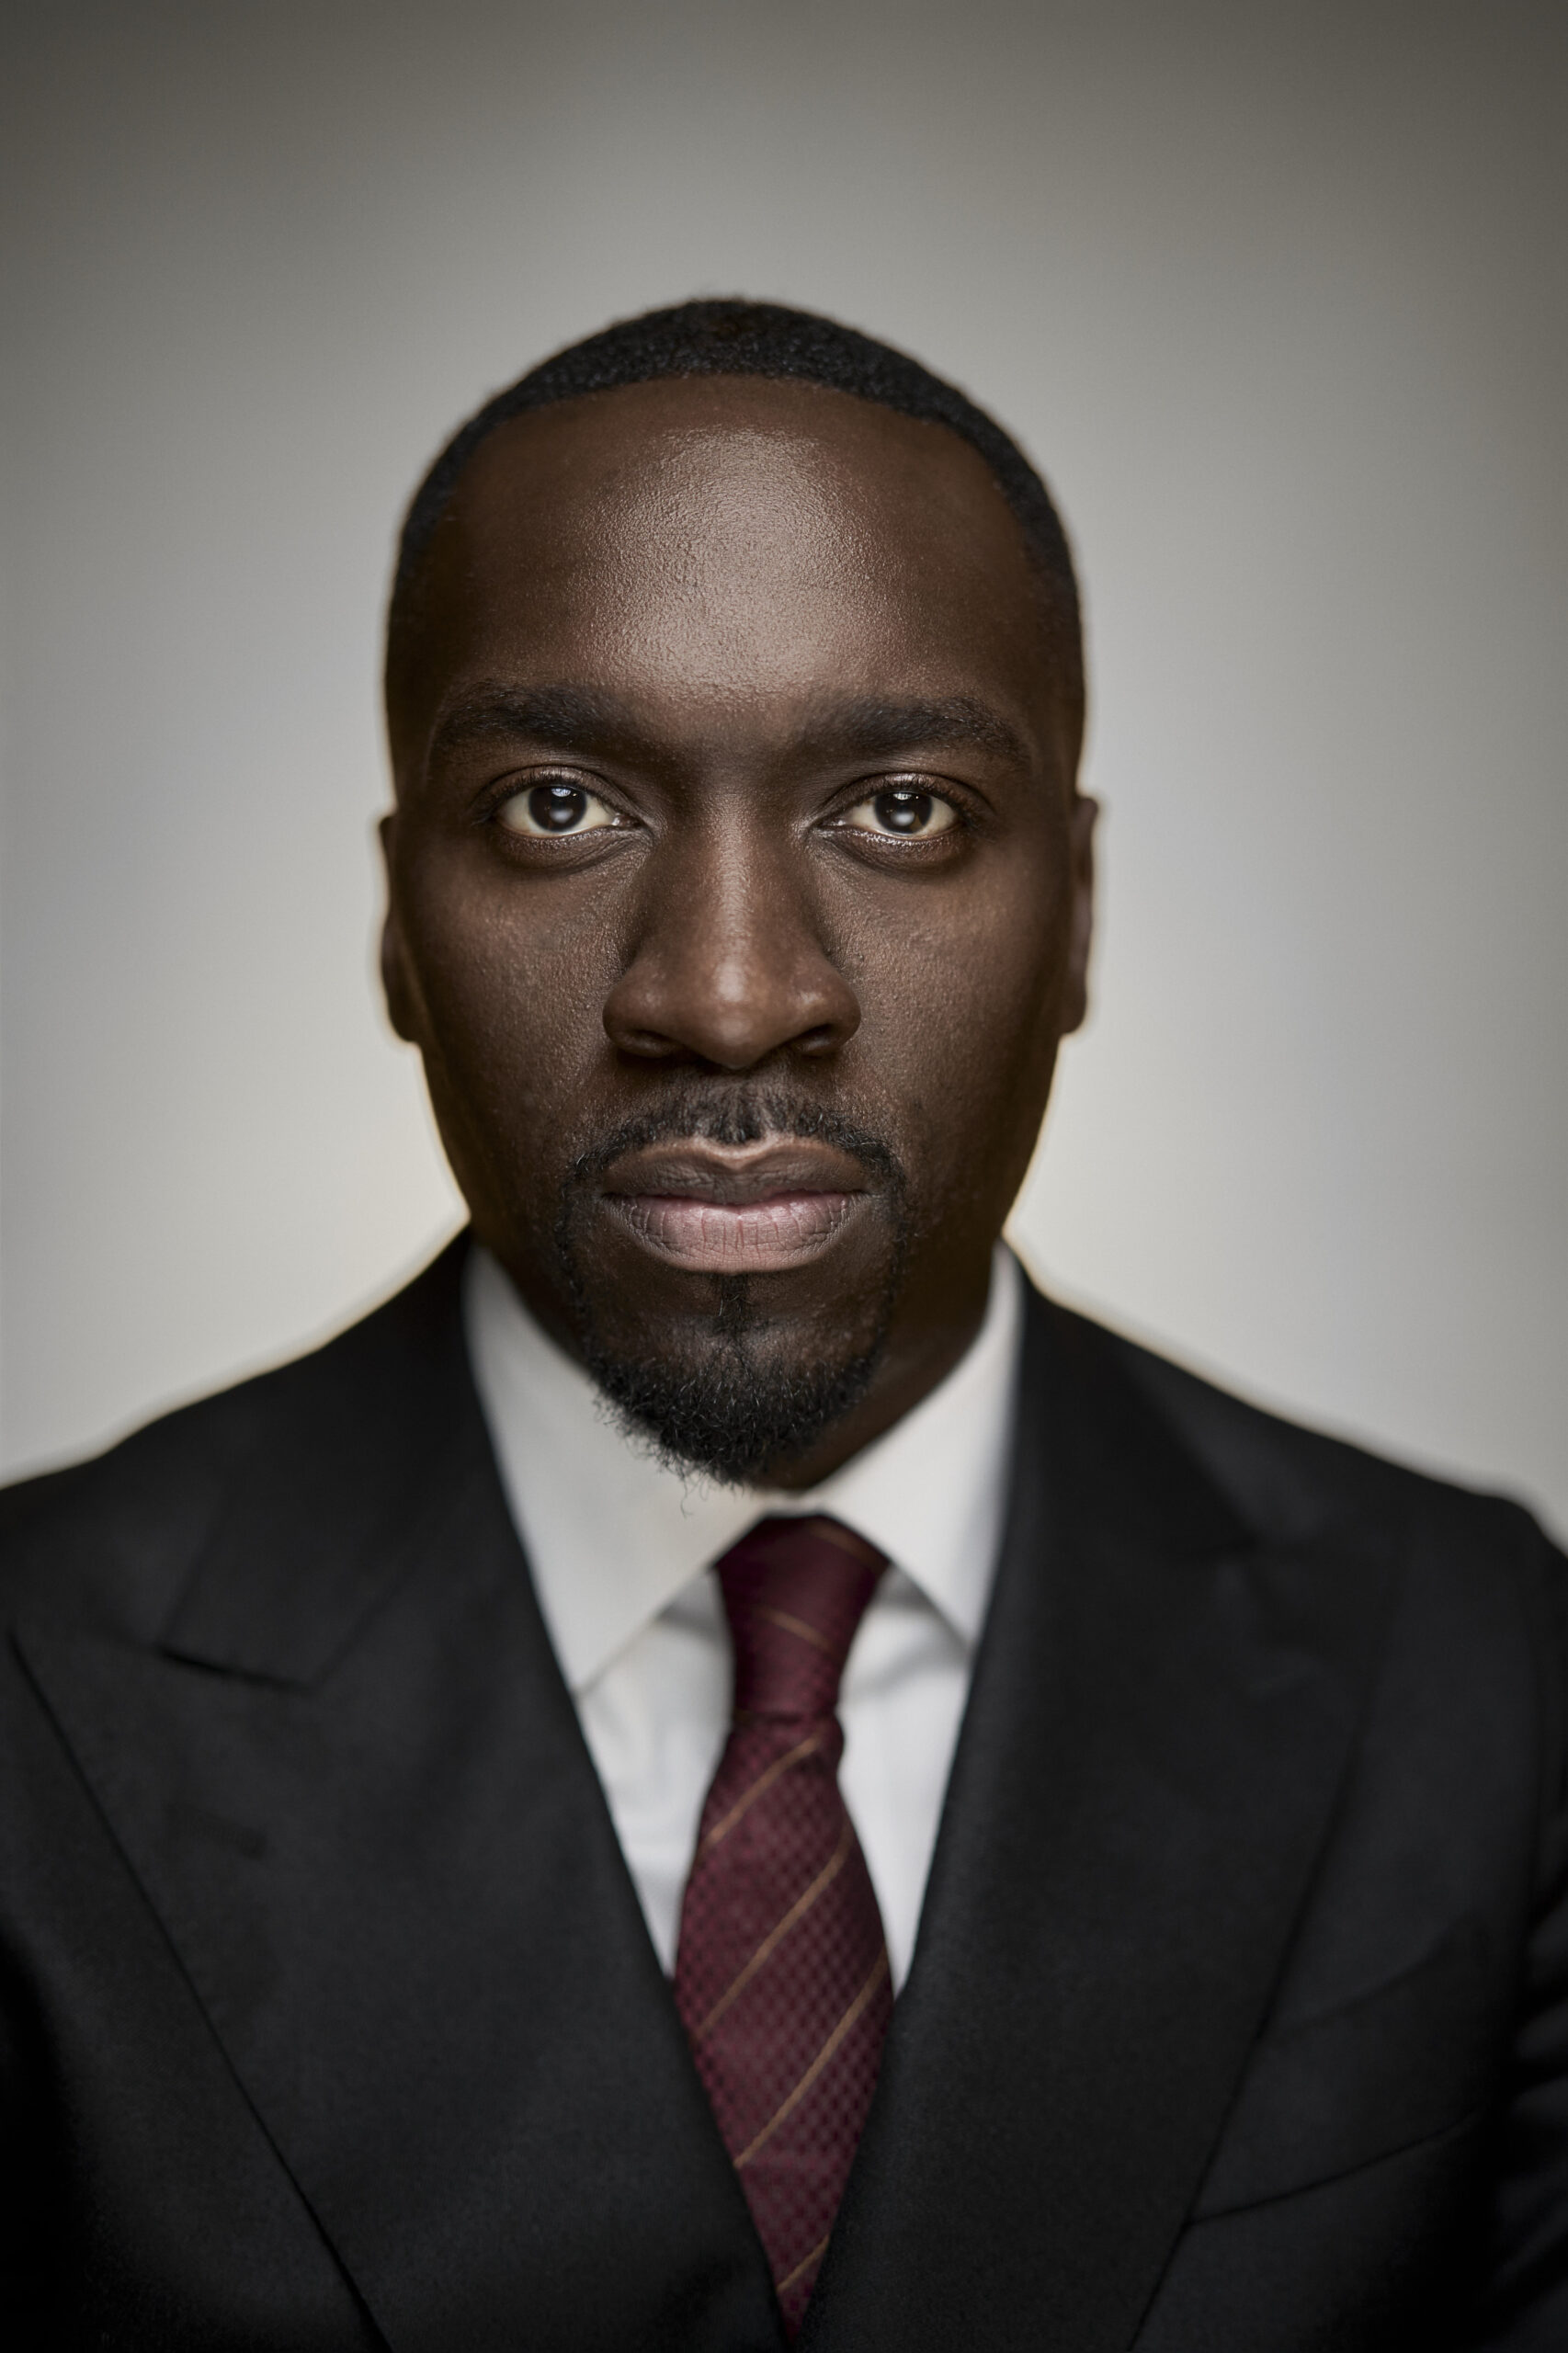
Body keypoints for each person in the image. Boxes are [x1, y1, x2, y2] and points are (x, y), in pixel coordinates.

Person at [0, 299, 1562, 2352]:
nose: (728, 997)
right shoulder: (31, 1693)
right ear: (396, 923)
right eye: (559, 806)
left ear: (1079, 913)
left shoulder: (1474, 1669)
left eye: (899, 808)